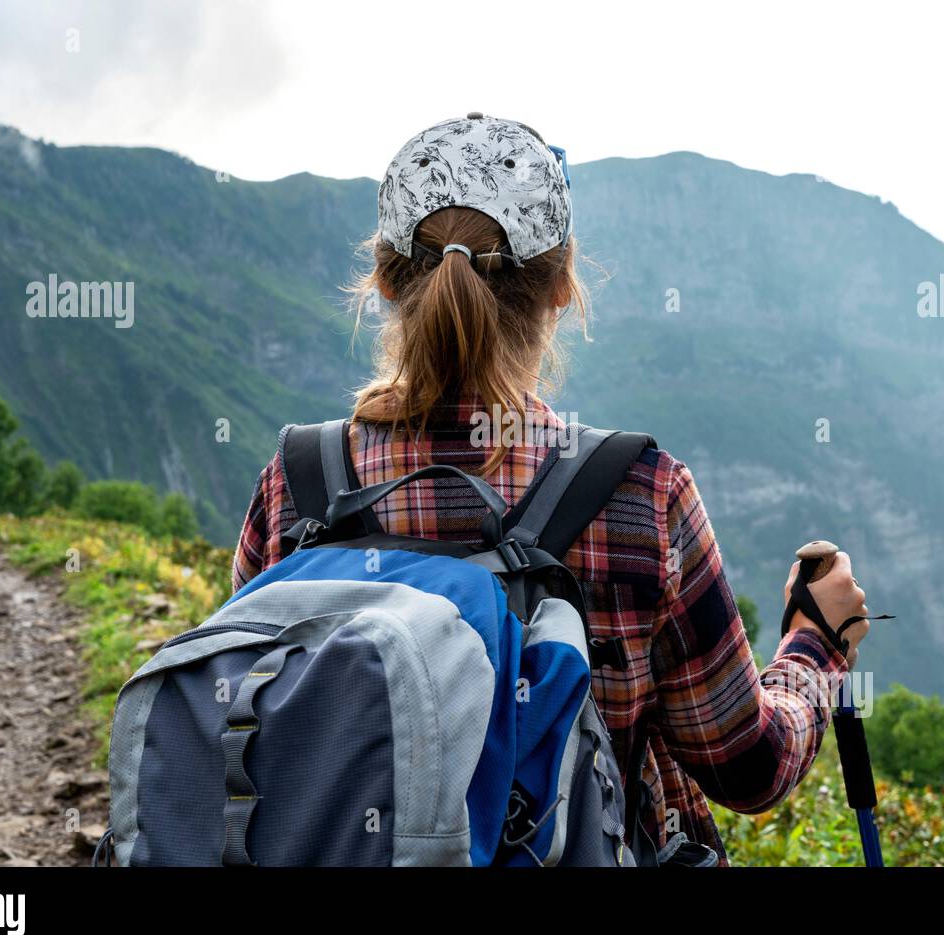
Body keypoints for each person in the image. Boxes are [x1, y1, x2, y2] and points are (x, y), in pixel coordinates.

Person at [232, 113, 871, 865]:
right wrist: (815, 645)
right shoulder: (639, 493)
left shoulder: (298, 484)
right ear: (563, 286)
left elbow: (249, 719)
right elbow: (746, 765)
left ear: (382, 279)